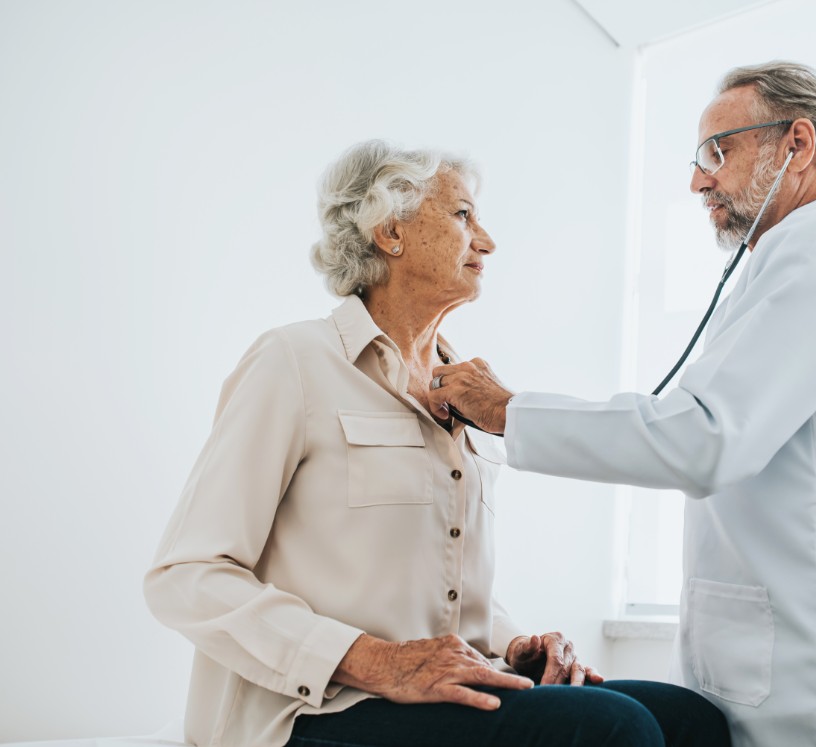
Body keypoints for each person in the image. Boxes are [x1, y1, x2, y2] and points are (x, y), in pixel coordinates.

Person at [429, 61, 816, 747]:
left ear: (795, 145)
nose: (697, 180)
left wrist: (510, 410)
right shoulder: (788, 262)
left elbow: (707, 437)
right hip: (791, 660)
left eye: (718, 152)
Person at [143, 140, 731, 747]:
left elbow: (435, 591)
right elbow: (187, 575)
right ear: (390, 231)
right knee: (614, 729)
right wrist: (375, 661)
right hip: (317, 708)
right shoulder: (293, 362)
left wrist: (511, 644)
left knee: (691, 721)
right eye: (462, 216)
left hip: (443, 692)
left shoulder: (468, 389)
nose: (486, 241)